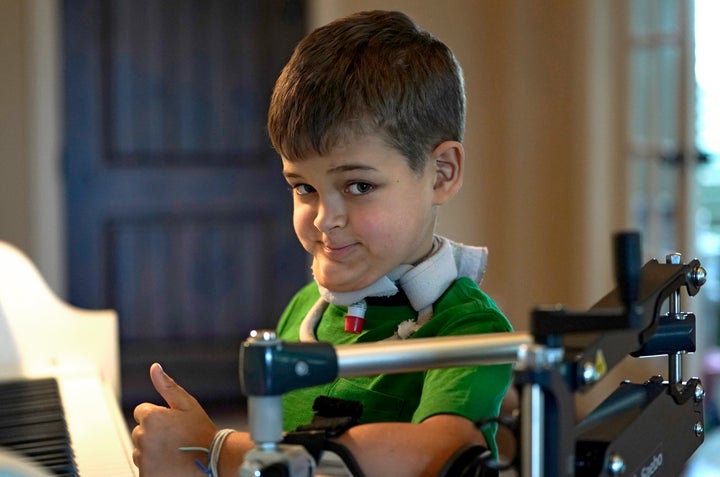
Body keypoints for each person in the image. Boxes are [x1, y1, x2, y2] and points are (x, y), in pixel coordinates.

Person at [132, 10, 514, 477]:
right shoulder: (305, 309)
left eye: (358, 186)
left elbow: (437, 454)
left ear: (442, 173)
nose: (322, 219)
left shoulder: (469, 328)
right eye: (303, 187)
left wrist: (219, 451)